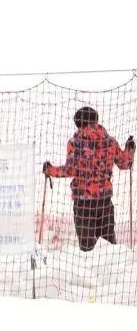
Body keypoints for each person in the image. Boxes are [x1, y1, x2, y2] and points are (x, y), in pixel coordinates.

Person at [44, 107, 134, 252]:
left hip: (83, 203)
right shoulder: (110, 142)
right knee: (109, 249)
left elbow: (70, 170)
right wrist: (129, 150)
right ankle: (110, 274)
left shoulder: (75, 142)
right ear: (96, 120)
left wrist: (50, 170)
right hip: (104, 202)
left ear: (79, 123)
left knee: (87, 249)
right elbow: (125, 164)